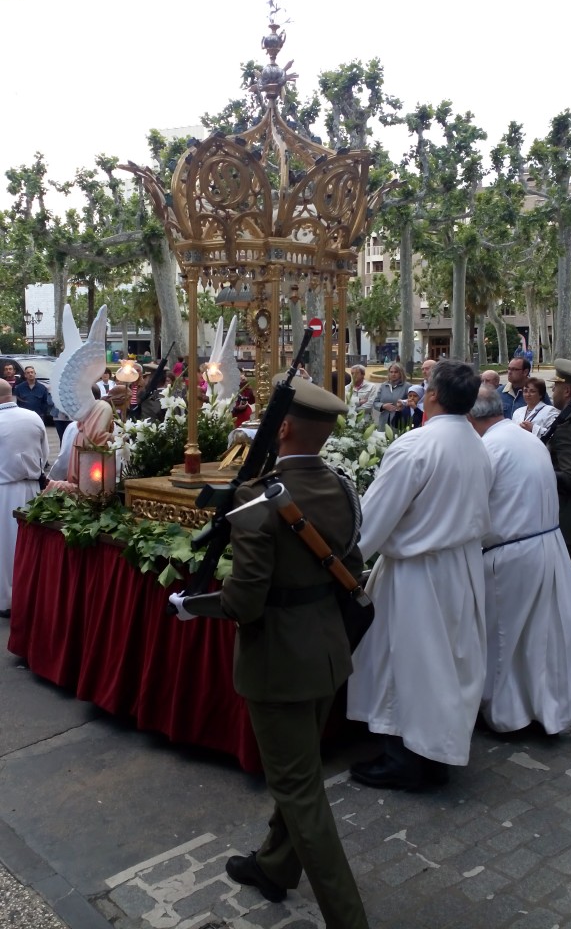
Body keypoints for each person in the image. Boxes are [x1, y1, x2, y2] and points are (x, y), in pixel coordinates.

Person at [169, 377, 369, 929]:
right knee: (299, 772)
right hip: (328, 650)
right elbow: (347, 562)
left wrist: (191, 607)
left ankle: (349, 918)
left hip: (278, 662)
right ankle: (275, 867)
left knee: (300, 792)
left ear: (281, 428)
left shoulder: (258, 500)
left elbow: (245, 604)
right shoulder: (342, 487)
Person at [347, 360, 492, 789]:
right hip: (461, 567)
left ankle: (407, 759)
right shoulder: (477, 444)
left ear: (431, 395)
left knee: (409, 663)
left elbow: (373, 519)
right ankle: (433, 751)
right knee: (446, 664)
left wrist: (343, 559)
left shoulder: (417, 446)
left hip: (418, 572)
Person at [468, 387, 571, 734]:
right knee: (537, 639)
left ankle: (506, 714)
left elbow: (473, 507)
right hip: (545, 544)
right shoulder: (523, 438)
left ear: (471, 417)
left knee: (504, 640)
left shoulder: (489, 447)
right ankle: (539, 708)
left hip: (513, 552)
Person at [0, 378, 49, 617]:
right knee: (28, 546)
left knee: (4, 548)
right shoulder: (33, 417)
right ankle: (28, 597)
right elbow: (45, 454)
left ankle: (6, 600)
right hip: (31, 489)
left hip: (3, 489)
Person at [543, 358, 571, 572]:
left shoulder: (568, 427)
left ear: (567, 391)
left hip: (570, 527)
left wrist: (541, 471)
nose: (553, 391)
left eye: (556, 386)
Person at [372, 361, 409, 429]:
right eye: (391, 372)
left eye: (396, 372)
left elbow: (411, 402)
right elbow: (375, 402)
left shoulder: (407, 386)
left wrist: (402, 405)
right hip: (384, 421)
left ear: (401, 373)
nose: (393, 374)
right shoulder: (384, 386)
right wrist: (383, 406)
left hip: (399, 421)